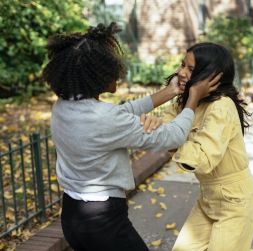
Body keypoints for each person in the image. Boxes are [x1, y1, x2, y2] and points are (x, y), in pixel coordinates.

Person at [42, 23, 221, 251]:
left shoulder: (64, 107)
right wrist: (193, 99)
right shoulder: (105, 119)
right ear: (98, 75)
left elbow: (119, 113)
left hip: (72, 215)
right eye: (113, 69)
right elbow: (172, 137)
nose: (119, 73)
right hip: (102, 221)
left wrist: (170, 92)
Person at [161, 42, 253, 251]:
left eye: (189, 68)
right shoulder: (188, 103)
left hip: (236, 202)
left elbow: (202, 160)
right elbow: (166, 124)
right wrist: (185, 96)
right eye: (182, 65)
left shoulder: (221, 106)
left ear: (211, 76)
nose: (180, 72)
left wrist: (171, 142)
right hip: (209, 199)